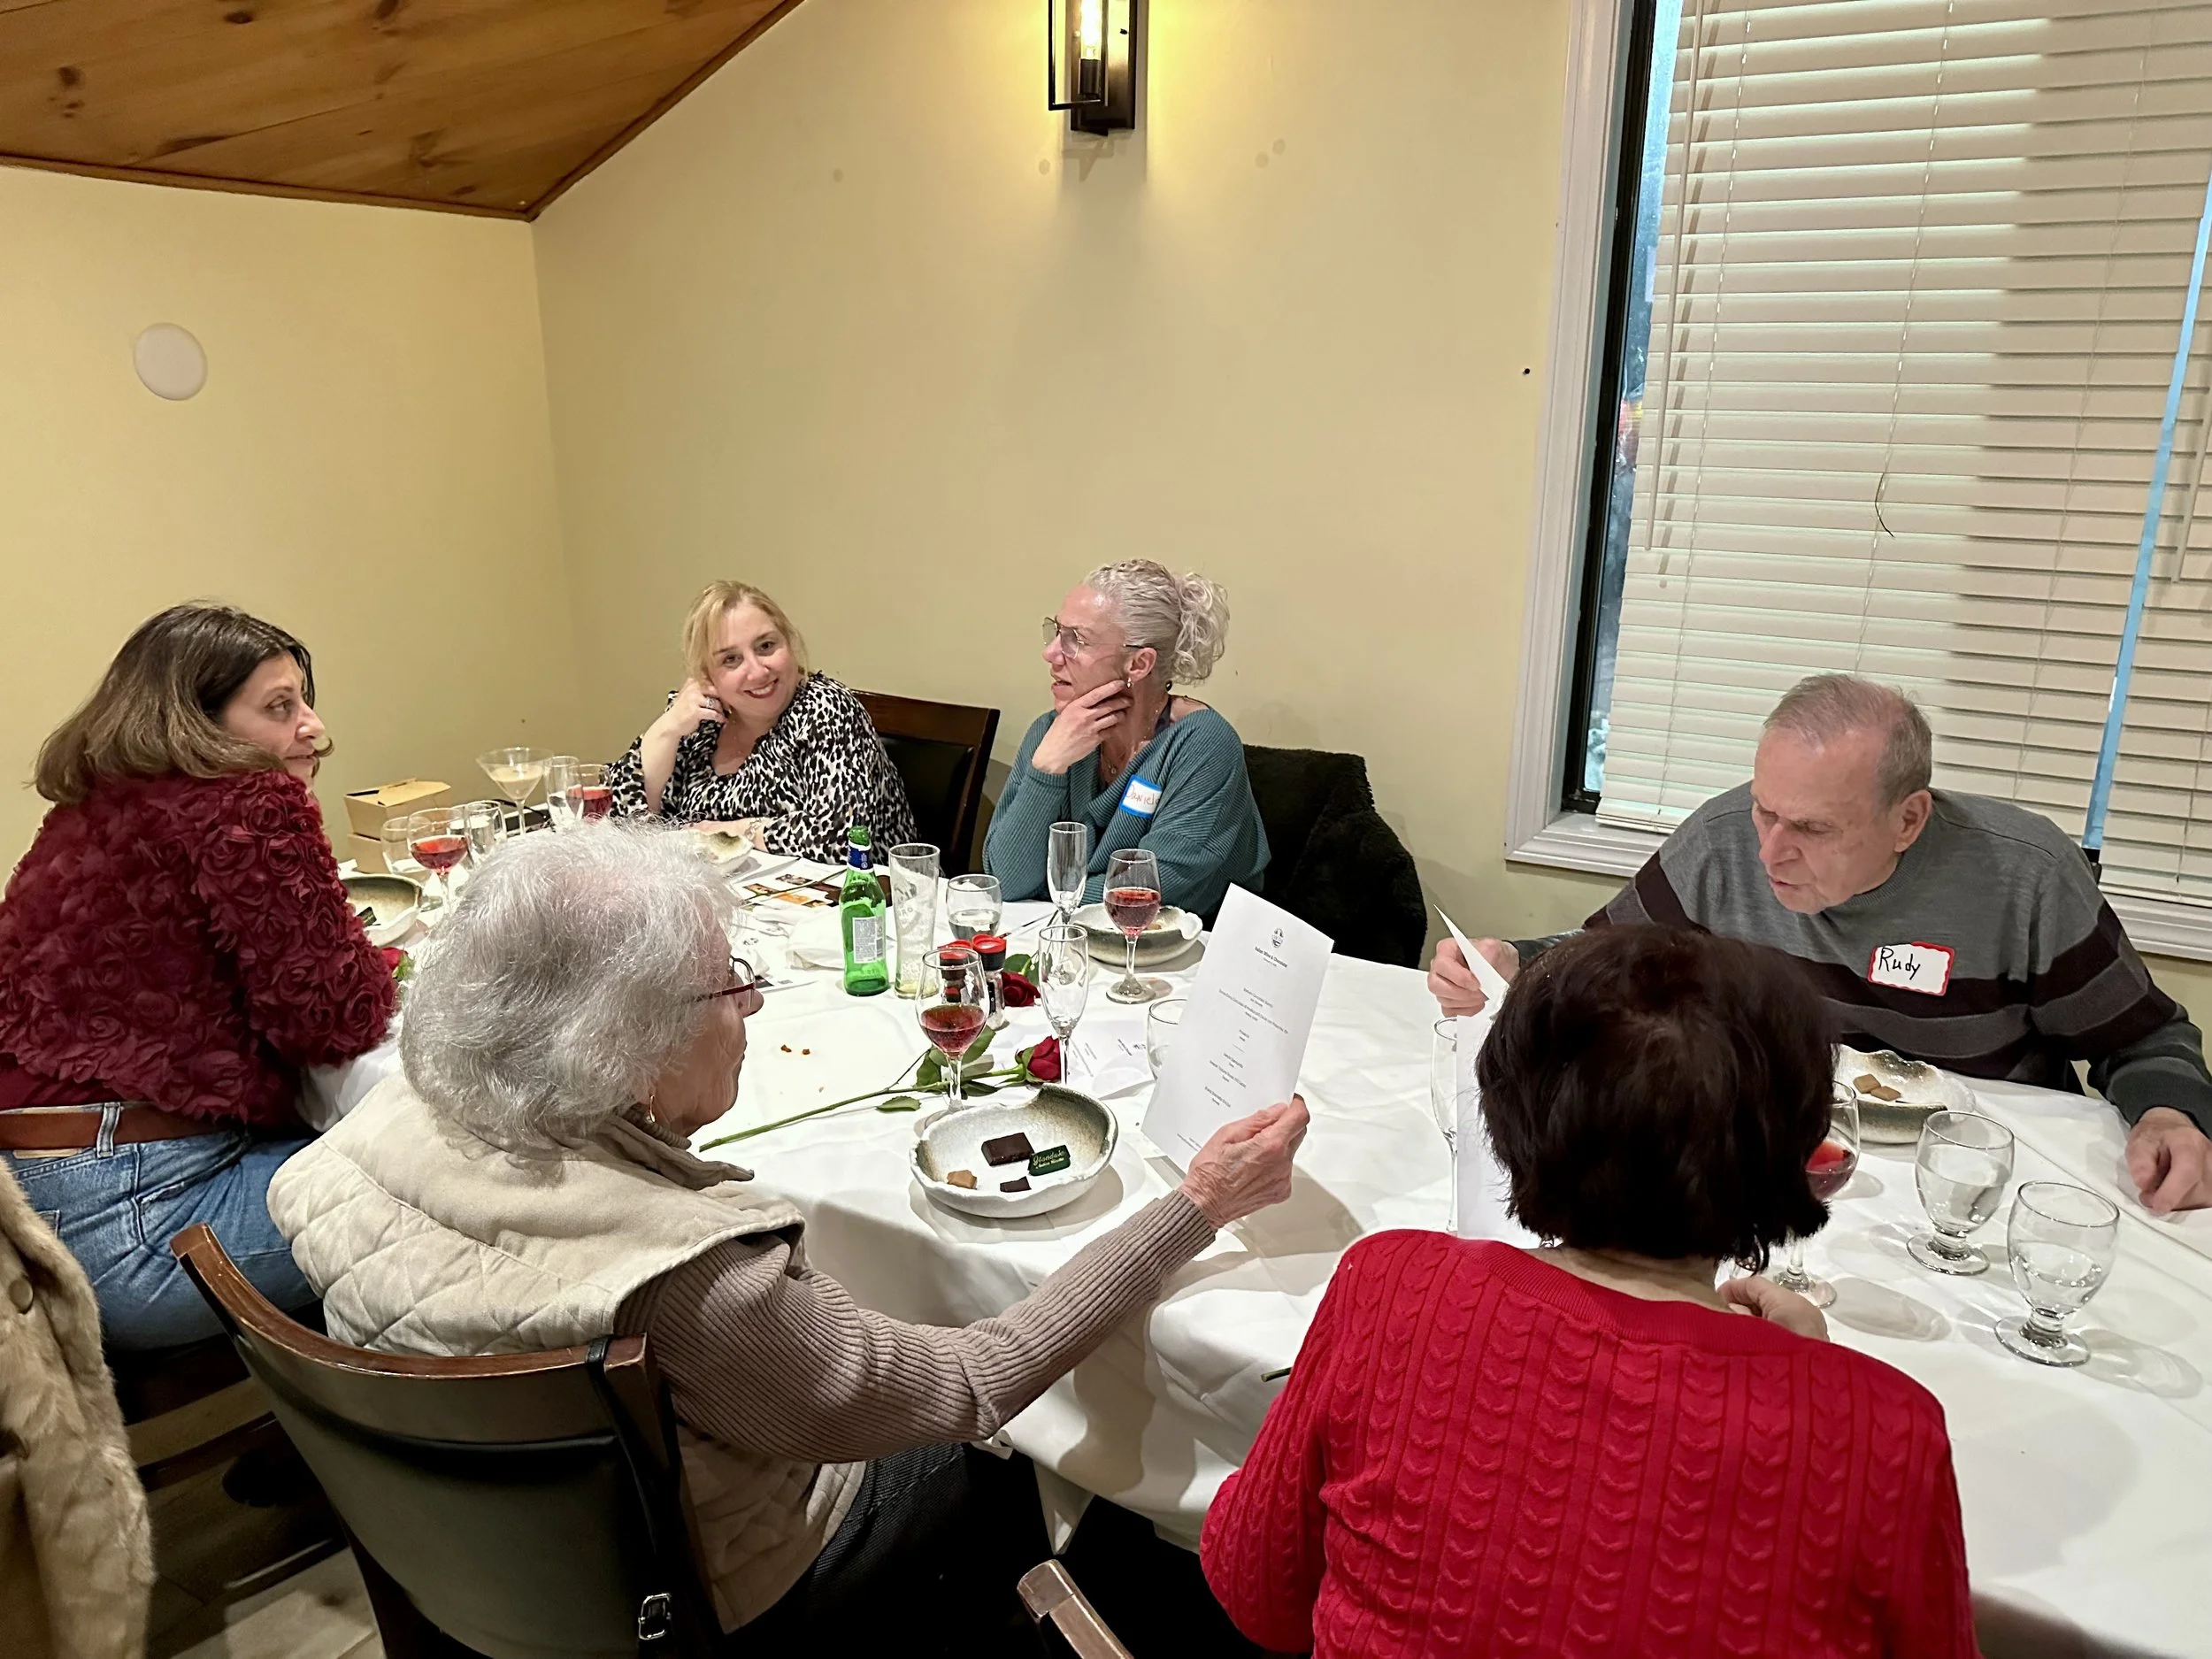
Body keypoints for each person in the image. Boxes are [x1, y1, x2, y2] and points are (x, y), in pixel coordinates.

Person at [267, 823, 1308, 1646]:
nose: (757, 1000)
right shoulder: (688, 1279)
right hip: (706, 1595)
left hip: (473, 1554)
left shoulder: (377, 1119)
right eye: (730, 982)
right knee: (1034, 1454)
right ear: (621, 1048)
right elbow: (973, 1382)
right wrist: (1198, 1206)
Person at [1206, 926, 1978, 1658]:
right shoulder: (1890, 1432)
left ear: (1509, 1112)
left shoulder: (1390, 1283)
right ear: (1791, 1150)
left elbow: (1258, 1593)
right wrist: (1816, 1388)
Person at [1434, 672, 2212, 1215]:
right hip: (1777, 1168)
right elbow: (1612, 962)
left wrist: (2174, 1112)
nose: (1769, 851)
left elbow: (2146, 1040)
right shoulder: (1723, 839)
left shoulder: (2025, 875)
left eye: (1810, 828)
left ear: (1908, 819)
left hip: (1968, 1182)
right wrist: (1518, 963)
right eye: (1764, 810)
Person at [0, 605, 396, 1348]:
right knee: (452, 1190)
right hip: (142, 1219)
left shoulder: (92, 804)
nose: (312, 727)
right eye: (280, 707)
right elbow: (331, 1018)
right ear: (197, 723)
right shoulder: (247, 800)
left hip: (33, 1205)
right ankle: (395, 1439)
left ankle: (299, 1442)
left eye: (304, 699)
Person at [984, 559, 1268, 919]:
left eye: (1076, 640)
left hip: (1187, 955)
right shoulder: (1053, 733)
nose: (1051, 653)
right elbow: (1006, 882)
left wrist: (1050, 893)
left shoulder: (1204, 745)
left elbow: (1148, 891)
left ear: (1139, 664)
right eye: (1056, 632)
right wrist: (1047, 768)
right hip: (1080, 943)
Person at [604, 581, 916, 862]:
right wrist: (665, 731)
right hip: (728, 904)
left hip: (864, 907)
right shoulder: (697, 720)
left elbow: (840, 839)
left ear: (790, 644)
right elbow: (616, 826)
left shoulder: (826, 709)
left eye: (766, 646)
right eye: (731, 659)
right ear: (706, 676)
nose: (757, 671)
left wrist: (740, 829)